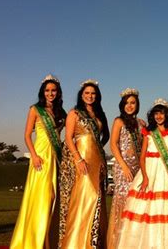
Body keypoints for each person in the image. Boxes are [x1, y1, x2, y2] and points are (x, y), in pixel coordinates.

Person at [117, 99, 168, 248]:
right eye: (156, 113)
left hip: (167, 171)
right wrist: (145, 177)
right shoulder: (149, 133)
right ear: (152, 116)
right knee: (146, 205)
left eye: (162, 113)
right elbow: (142, 156)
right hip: (150, 170)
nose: (159, 116)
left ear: (167, 114)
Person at [10, 74, 66, 249]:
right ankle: (35, 240)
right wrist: (33, 156)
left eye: (54, 90)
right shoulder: (35, 109)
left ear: (58, 92)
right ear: (43, 92)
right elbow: (27, 135)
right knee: (42, 197)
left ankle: (49, 240)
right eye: (47, 90)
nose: (51, 93)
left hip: (56, 158)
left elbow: (60, 136)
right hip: (41, 157)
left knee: (54, 198)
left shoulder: (61, 112)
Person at [58, 79, 110, 249]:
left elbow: (105, 137)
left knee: (98, 200)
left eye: (93, 93)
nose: (90, 96)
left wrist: (98, 152)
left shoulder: (99, 113)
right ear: (81, 95)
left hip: (98, 162)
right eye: (87, 93)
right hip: (82, 160)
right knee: (85, 199)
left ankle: (94, 242)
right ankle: (77, 243)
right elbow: (68, 138)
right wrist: (78, 158)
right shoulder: (75, 113)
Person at [107, 88, 145, 249]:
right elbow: (113, 144)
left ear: (137, 105)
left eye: (133, 103)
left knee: (136, 203)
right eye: (127, 103)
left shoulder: (141, 123)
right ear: (122, 105)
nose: (130, 106)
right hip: (123, 169)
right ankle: (118, 243)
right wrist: (123, 166)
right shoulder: (119, 121)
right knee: (122, 202)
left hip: (138, 169)